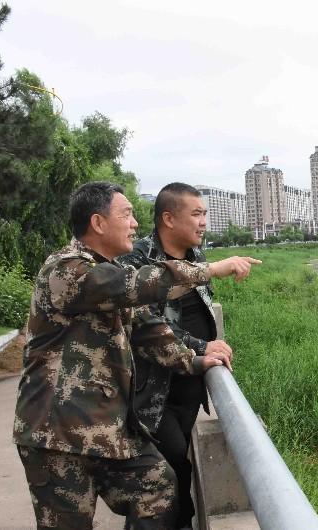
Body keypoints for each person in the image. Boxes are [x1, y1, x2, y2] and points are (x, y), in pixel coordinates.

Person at [12, 181, 257, 529]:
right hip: (58, 435)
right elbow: (142, 283)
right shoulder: (67, 270)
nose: (134, 223)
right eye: (126, 215)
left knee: (157, 485)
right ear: (98, 223)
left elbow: (149, 330)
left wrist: (196, 360)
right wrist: (212, 269)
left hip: (107, 428)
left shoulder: (110, 274)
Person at [117, 182, 260, 528]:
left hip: (189, 390)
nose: (203, 222)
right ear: (168, 218)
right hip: (151, 394)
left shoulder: (195, 256)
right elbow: (144, 324)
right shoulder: (136, 260)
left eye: (205, 214)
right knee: (169, 474)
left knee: (174, 471)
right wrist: (200, 346)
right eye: (196, 214)